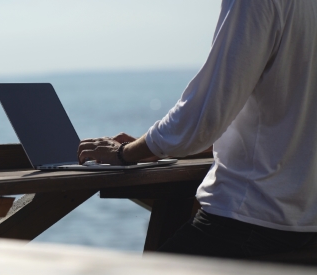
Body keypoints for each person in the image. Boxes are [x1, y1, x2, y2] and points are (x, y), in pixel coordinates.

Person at [77, 0, 317, 259]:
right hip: (305, 227)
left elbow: (204, 116)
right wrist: (154, 148)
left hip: (249, 218)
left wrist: (125, 153)